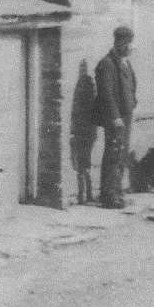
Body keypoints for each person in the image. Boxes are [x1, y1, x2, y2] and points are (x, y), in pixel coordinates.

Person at [94, 26, 137, 209]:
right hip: (116, 117)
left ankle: (117, 192)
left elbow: (131, 84)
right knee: (113, 154)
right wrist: (115, 116)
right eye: (126, 43)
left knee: (121, 155)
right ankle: (109, 196)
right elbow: (106, 93)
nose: (129, 47)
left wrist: (134, 102)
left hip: (125, 114)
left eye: (129, 43)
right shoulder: (107, 63)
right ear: (118, 42)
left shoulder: (124, 61)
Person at [70, 59, 98, 205]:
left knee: (83, 163)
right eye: (81, 67)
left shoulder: (83, 85)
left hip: (85, 131)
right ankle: (85, 194)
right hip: (87, 131)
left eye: (83, 67)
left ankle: (85, 195)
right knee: (84, 163)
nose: (82, 69)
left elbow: (76, 110)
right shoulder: (87, 85)